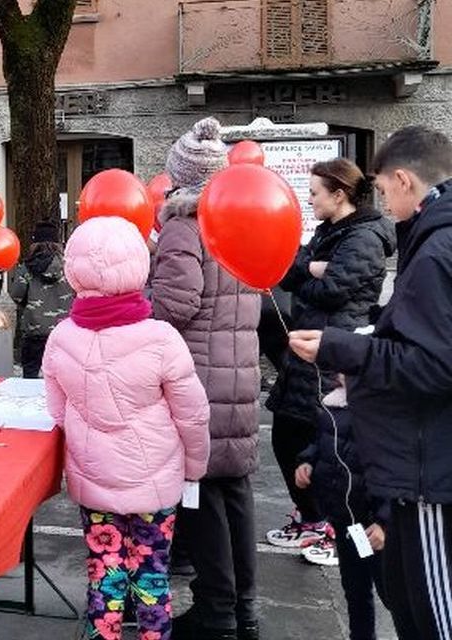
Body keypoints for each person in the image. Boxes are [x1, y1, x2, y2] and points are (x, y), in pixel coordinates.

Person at [290, 125, 452, 640]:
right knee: (407, 601)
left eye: (383, 190)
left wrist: (345, 348)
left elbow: (433, 364)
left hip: (429, 469)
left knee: (431, 614)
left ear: (404, 180)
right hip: (418, 462)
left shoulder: (435, 250)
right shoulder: (430, 240)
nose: (382, 201)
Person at [44, 216, 210, 640]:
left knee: (104, 574)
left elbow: (58, 412)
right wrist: (194, 468)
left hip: (94, 478)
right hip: (155, 479)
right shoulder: (161, 338)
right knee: (153, 576)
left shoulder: (61, 337)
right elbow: (192, 415)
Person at [151, 117, 262, 640]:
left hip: (199, 378)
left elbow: (177, 300)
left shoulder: (181, 223)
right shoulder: (239, 222)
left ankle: (216, 615)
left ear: (179, 176)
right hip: (240, 374)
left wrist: (136, 311)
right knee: (237, 492)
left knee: (203, 499)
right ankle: (245, 612)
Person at [264, 158, 395, 555]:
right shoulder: (327, 232)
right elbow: (289, 269)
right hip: (308, 349)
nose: (309, 199)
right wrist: (314, 268)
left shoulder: (365, 237)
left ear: (339, 195)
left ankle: (333, 527)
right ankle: (310, 517)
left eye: (316, 192)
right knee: (289, 437)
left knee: (327, 445)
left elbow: (332, 291)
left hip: (334, 349)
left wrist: (312, 274)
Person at [294, 378, 411, 639]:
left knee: (394, 593)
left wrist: (384, 521)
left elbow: (397, 473)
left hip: (373, 524)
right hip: (345, 518)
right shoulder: (331, 405)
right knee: (355, 588)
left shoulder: (384, 413)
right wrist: (308, 462)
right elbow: (320, 442)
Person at [9, 221, 73, 378]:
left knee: (30, 376)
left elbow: (16, 294)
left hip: (34, 331)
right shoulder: (69, 266)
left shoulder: (27, 267)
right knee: (62, 378)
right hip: (63, 332)